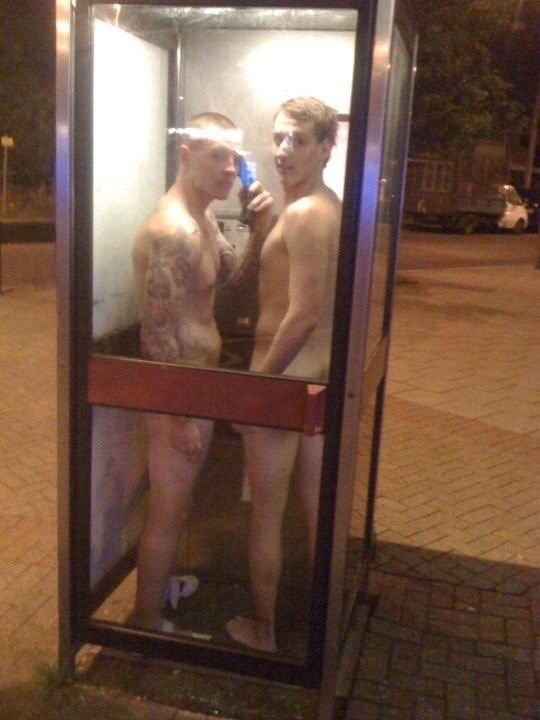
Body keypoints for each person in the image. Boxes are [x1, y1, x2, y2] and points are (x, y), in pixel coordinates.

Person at [131, 112, 272, 630]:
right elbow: (157, 335)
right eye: (217, 155)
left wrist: (260, 228)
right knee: (167, 513)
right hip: (180, 395)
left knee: (179, 506)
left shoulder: (203, 220)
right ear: (185, 156)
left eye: (234, 157)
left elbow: (231, 280)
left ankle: (161, 590)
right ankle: (145, 621)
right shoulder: (174, 231)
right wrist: (179, 417)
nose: (229, 168)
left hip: (195, 388)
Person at [227, 97, 341, 652]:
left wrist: (257, 389)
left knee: (266, 518)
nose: (283, 150)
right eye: (278, 137)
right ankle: (323, 624)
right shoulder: (326, 205)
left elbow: (302, 314)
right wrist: (261, 224)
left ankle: (264, 630)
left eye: (297, 140)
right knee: (317, 511)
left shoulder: (303, 214)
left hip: (280, 383)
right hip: (313, 380)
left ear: (325, 148)